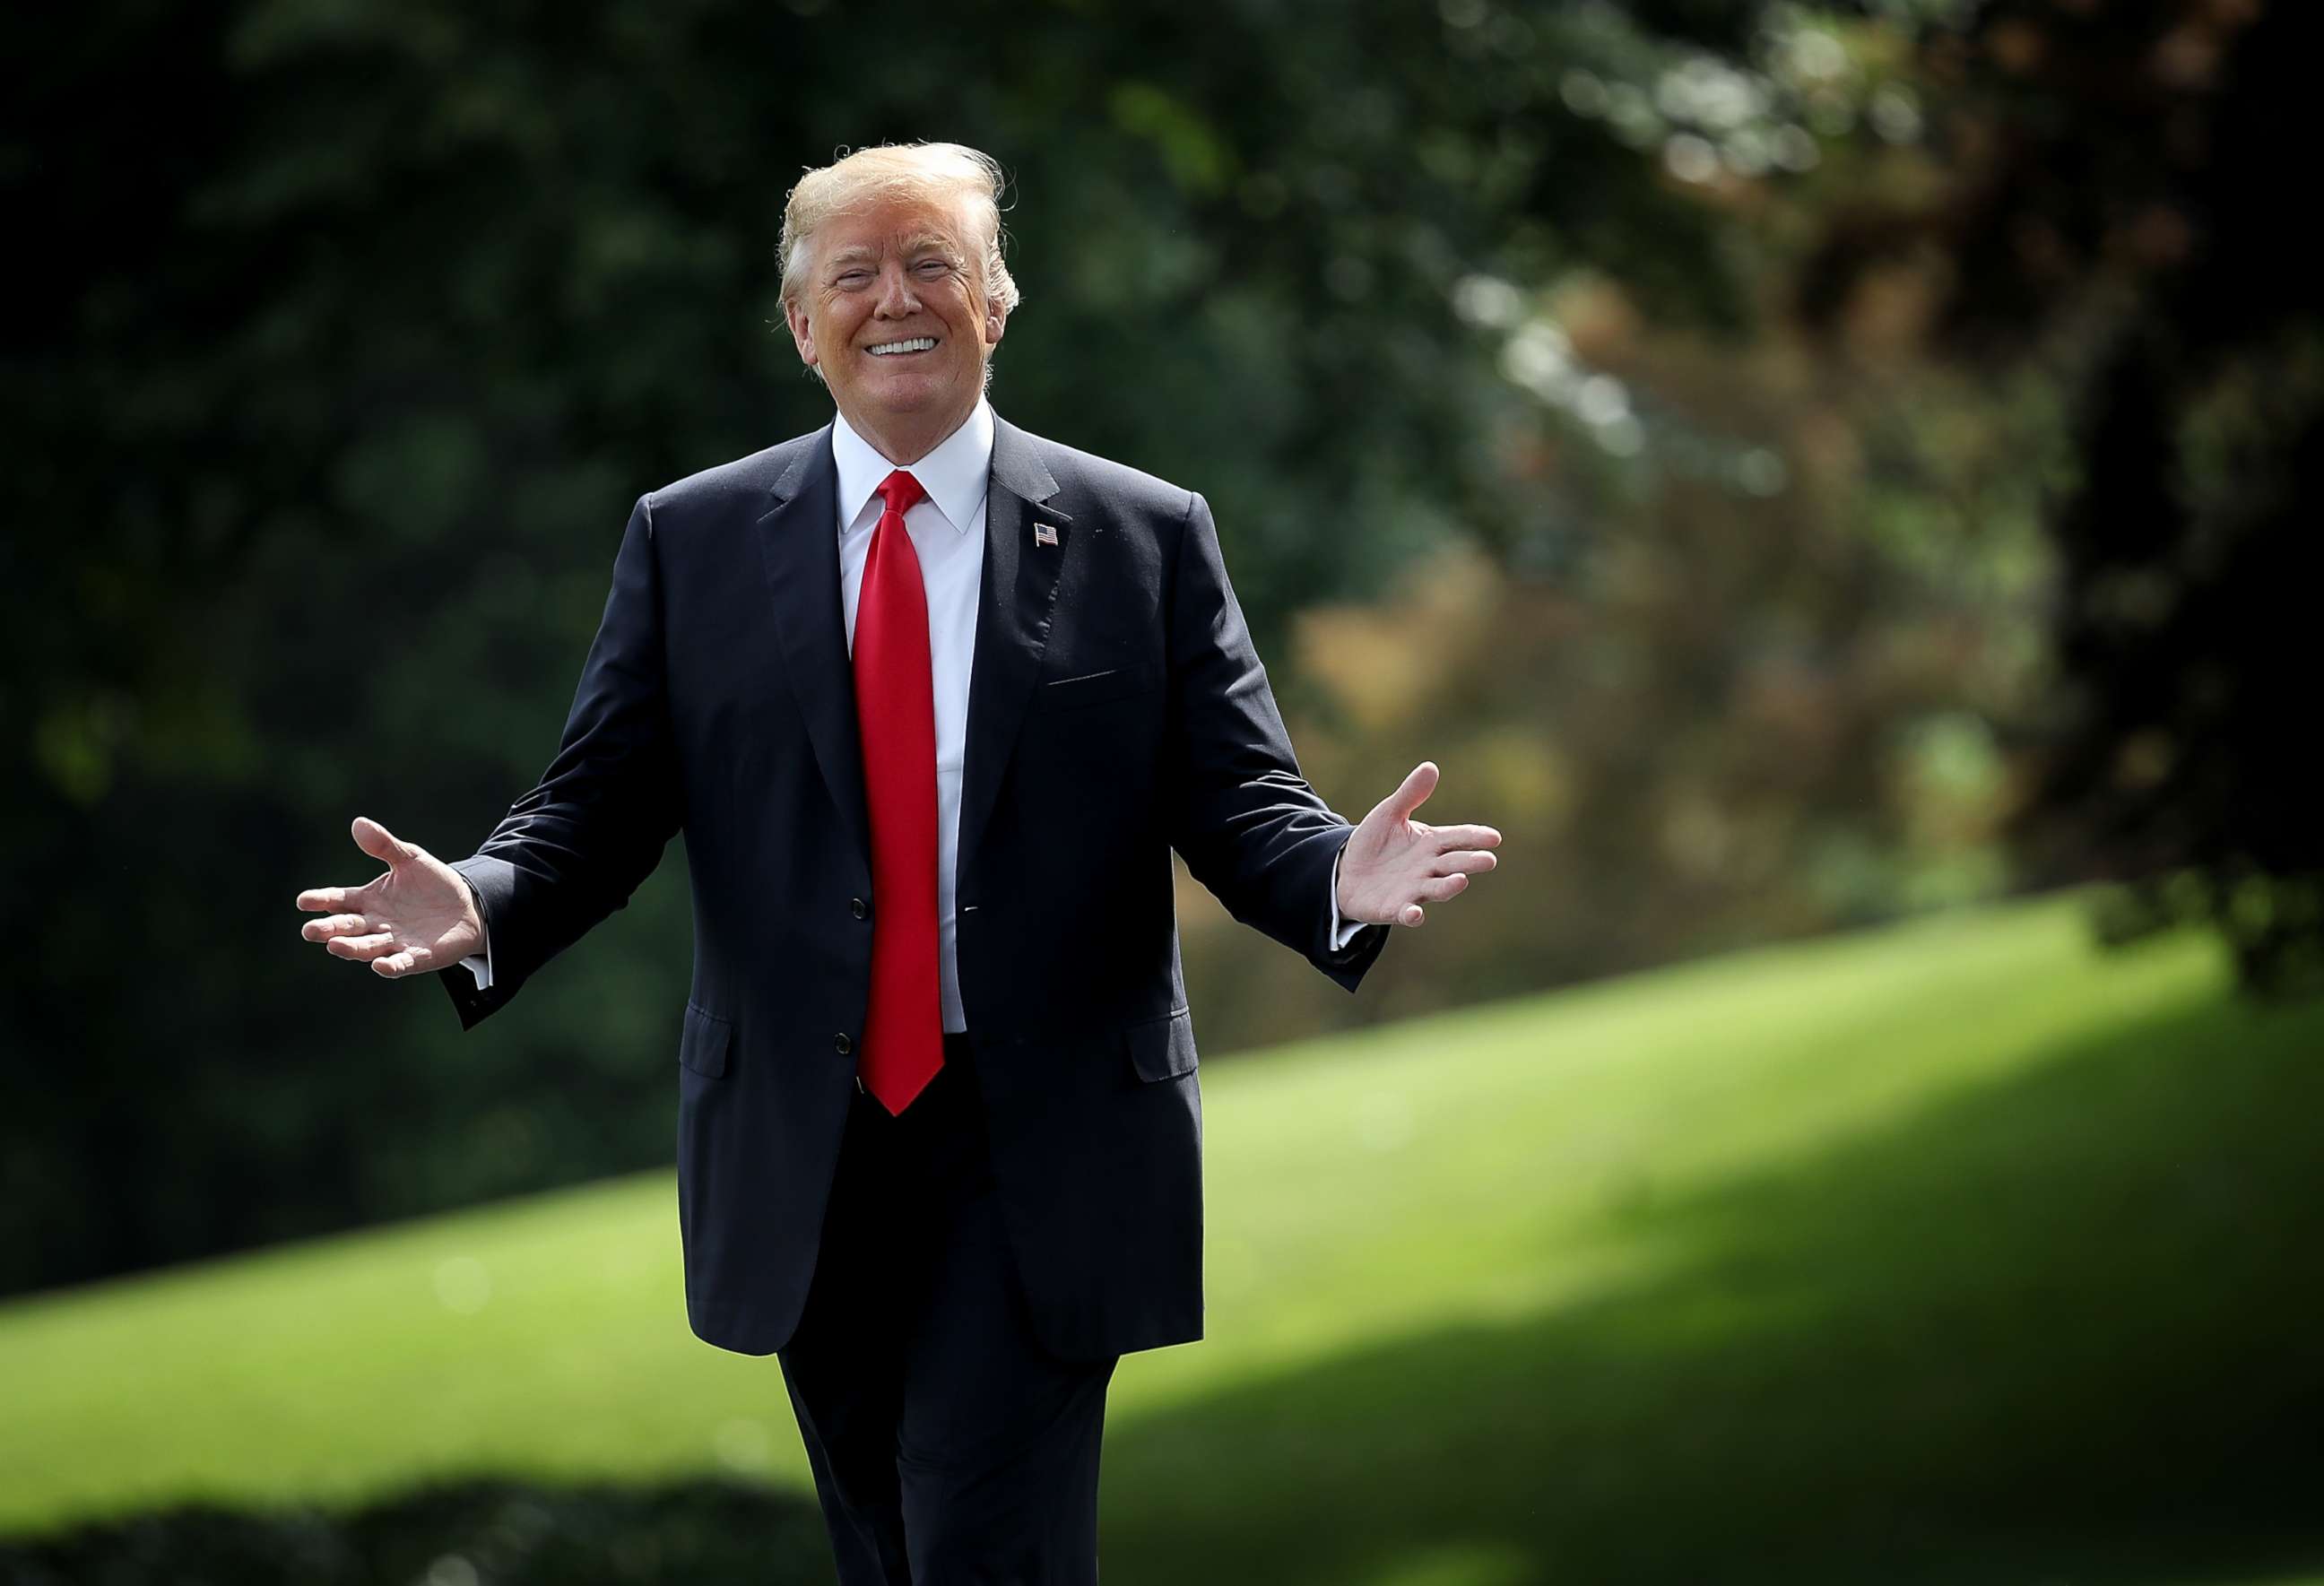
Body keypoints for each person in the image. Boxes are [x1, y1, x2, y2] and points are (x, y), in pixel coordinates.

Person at [295, 140, 1502, 1584]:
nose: (896, 300)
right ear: (802, 327)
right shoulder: (692, 541)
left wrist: (1331, 880)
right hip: (804, 1147)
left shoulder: (1142, 533)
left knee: (981, 1535)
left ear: (997, 299)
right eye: (853, 274)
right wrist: (484, 896)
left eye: (934, 262)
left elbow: (1240, 799)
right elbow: (597, 805)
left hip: (1039, 1137)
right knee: (888, 1542)